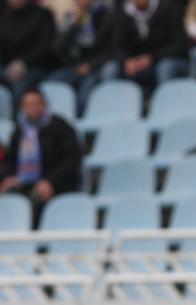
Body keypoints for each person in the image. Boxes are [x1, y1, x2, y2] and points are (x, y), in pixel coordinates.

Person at [0, 89, 81, 228]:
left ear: (44, 105)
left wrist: (50, 181)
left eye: (36, 103)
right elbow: (10, 160)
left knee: (37, 199)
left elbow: (72, 159)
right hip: (24, 182)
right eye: (28, 105)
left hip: (57, 183)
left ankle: (37, 243)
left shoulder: (60, 126)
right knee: (10, 196)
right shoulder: (19, 130)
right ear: (23, 108)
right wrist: (10, 177)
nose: (33, 108)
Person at [104, 0, 190, 93]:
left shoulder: (168, 7)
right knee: (111, 69)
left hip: (163, 61)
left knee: (165, 67)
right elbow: (116, 46)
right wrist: (126, 60)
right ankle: (116, 105)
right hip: (135, 64)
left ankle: (166, 103)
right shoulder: (123, 12)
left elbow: (179, 45)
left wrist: (152, 58)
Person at [48, 0, 116, 110]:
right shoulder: (70, 17)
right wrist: (74, 24)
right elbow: (57, 48)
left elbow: (110, 49)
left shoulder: (104, 15)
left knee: (83, 97)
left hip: (96, 66)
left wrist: (90, 65)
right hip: (74, 66)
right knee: (51, 85)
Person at [0, 0, 58, 101]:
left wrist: (23, 62)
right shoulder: (4, 13)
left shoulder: (42, 14)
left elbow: (45, 45)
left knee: (20, 85)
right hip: (6, 64)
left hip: (35, 66)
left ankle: (18, 116)